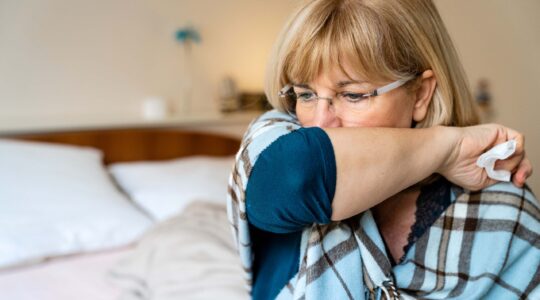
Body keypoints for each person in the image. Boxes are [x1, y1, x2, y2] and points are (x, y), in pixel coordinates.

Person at [226, 0, 539, 299]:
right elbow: (295, 177)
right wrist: (449, 146)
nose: (319, 123)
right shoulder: (276, 138)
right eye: (306, 94)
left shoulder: (499, 208)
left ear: (420, 94)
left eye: (352, 95)